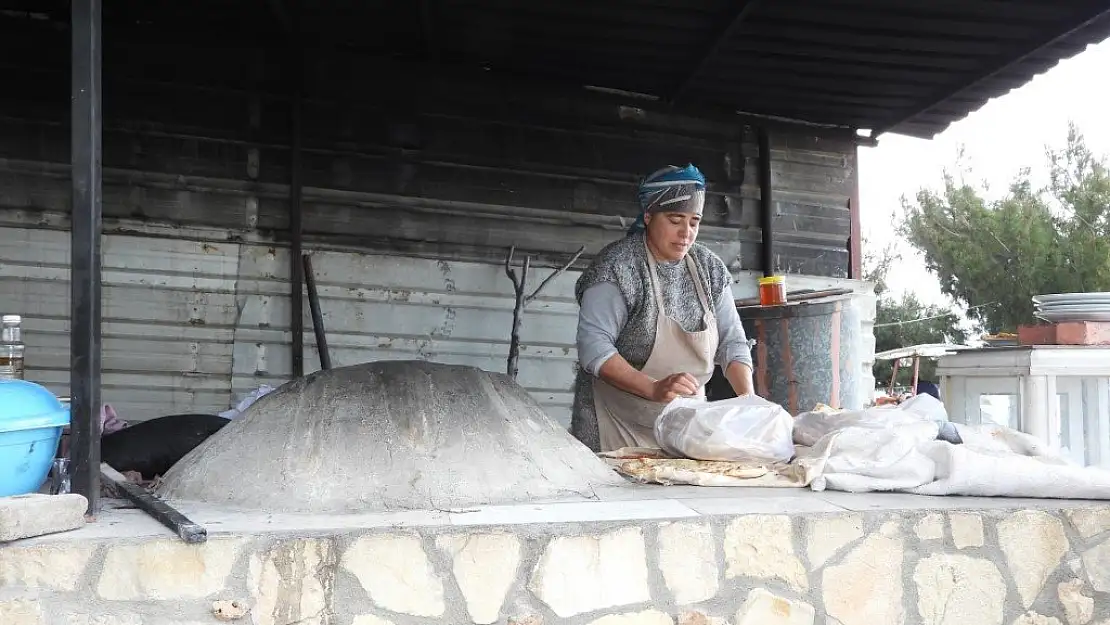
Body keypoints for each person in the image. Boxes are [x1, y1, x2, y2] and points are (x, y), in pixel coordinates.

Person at [570, 164, 755, 452]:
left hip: (686, 427)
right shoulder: (618, 268)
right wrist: (654, 389)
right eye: (675, 219)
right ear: (648, 216)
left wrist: (748, 399)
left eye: (694, 222)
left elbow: (732, 342)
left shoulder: (709, 269)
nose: (686, 233)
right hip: (615, 425)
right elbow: (594, 348)